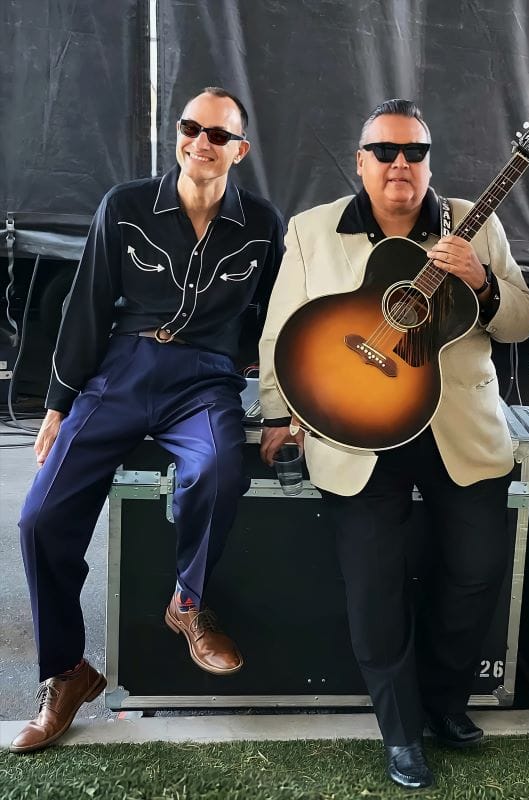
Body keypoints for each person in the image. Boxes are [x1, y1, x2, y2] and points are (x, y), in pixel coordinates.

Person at [257, 98, 529, 790]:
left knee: (475, 573)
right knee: (374, 586)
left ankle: (442, 703)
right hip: (356, 428)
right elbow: (280, 331)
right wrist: (278, 415)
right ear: (361, 161)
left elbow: (522, 323)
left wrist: (479, 280)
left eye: (414, 151)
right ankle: (402, 732)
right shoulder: (312, 230)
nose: (399, 164)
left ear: (429, 162)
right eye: (384, 151)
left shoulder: (475, 224)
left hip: (458, 429)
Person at [11, 87, 285, 754]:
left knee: (219, 469)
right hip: (122, 370)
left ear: (240, 150)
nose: (200, 142)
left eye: (218, 135)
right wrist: (58, 403)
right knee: (40, 518)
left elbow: (279, 315)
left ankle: (187, 605)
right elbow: (86, 304)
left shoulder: (261, 223)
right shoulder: (127, 206)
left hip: (207, 379)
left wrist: (279, 400)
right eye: (191, 127)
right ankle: (66, 672)